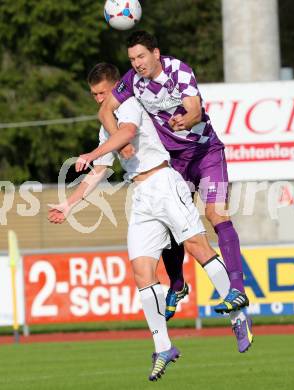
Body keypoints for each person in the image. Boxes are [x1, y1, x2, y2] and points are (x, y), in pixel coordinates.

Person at [49, 63, 252, 381]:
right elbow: (100, 172)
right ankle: (163, 347)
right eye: (93, 95)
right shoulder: (105, 128)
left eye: (102, 92)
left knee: (197, 246)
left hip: (164, 182)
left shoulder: (131, 103)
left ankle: (239, 315)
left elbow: (128, 132)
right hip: (141, 195)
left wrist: (90, 153)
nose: (98, 99)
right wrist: (69, 204)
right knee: (141, 271)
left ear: (115, 88)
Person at [98, 30, 253, 345]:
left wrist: (186, 120)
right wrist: (123, 144)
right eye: (132, 59)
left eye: (142, 56)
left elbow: (195, 108)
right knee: (173, 229)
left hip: (205, 152)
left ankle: (236, 288)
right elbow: (104, 111)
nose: (137, 63)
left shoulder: (178, 70)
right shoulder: (132, 81)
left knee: (216, 214)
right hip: (176, 162)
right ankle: (178, 285)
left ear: (156, 53)